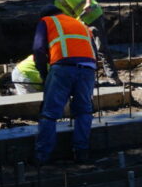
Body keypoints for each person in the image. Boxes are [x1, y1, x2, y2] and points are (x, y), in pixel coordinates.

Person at [33, 9, 96, 163]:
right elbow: (93, 49)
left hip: (63, 68)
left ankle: (42, 156)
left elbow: (38, 49)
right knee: (84, 111)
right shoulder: (80, 24)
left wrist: (44, 73)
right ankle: (81, 153)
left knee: (49, 113)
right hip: (88, 69)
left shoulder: (47, 21)